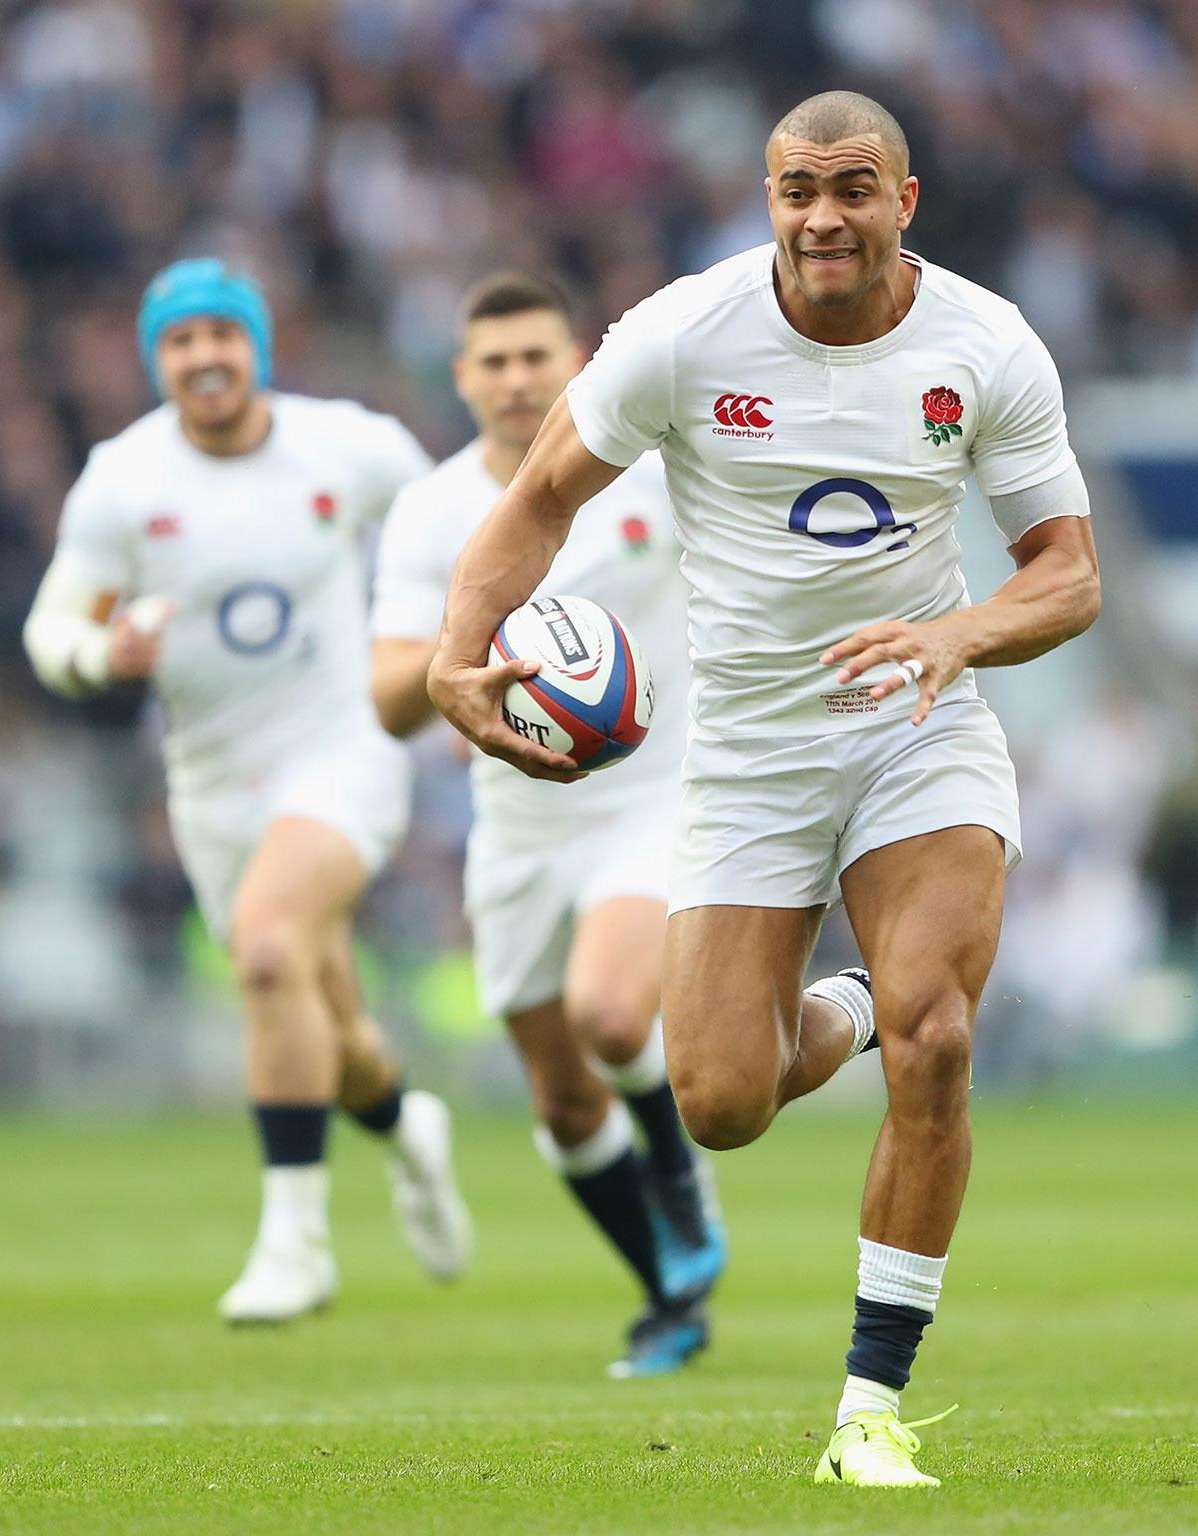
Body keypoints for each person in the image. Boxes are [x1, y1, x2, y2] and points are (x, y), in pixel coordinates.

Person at [425, 93, 1099, 1485]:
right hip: (747, 751)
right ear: (767, 195)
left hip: (920, 724)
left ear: (904, 199)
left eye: (854, 188)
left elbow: (1067, 572)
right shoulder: (683, 332)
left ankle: (870, 1409)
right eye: (798, 190)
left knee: (942, 1035)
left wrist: (953, 635)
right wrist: (454, 657)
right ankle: (854, 1006)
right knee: (721, 1098)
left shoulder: (984, 344)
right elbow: (542, 495)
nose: (823, 218)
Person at [23, 258, 472, 1325]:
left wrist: (455, 671)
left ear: (255, 347)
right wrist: (100, 653)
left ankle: (295, 1241)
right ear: (156, 360)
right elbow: (51, 630)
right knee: (319, 1018)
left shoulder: (347, 446)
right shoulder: (123, 480)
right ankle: (405, 1124)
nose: (203, 357)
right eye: (180, 342)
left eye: (221, 335)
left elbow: (455, 540)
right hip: (212, 787)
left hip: (342, 751)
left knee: (266, 948)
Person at [370, 271, 725, 1377]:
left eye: (537, 356)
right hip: (516, 829)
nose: (518, 378)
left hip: (653, 796)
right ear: (462, 377)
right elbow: (387, 697)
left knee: (612, 1019)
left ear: (576, 363)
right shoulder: (432, 513)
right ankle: (667, 1294)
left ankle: (676, 1172)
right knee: (563, 1102)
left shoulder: (650, 473)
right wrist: (449, 674)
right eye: (494, 360)